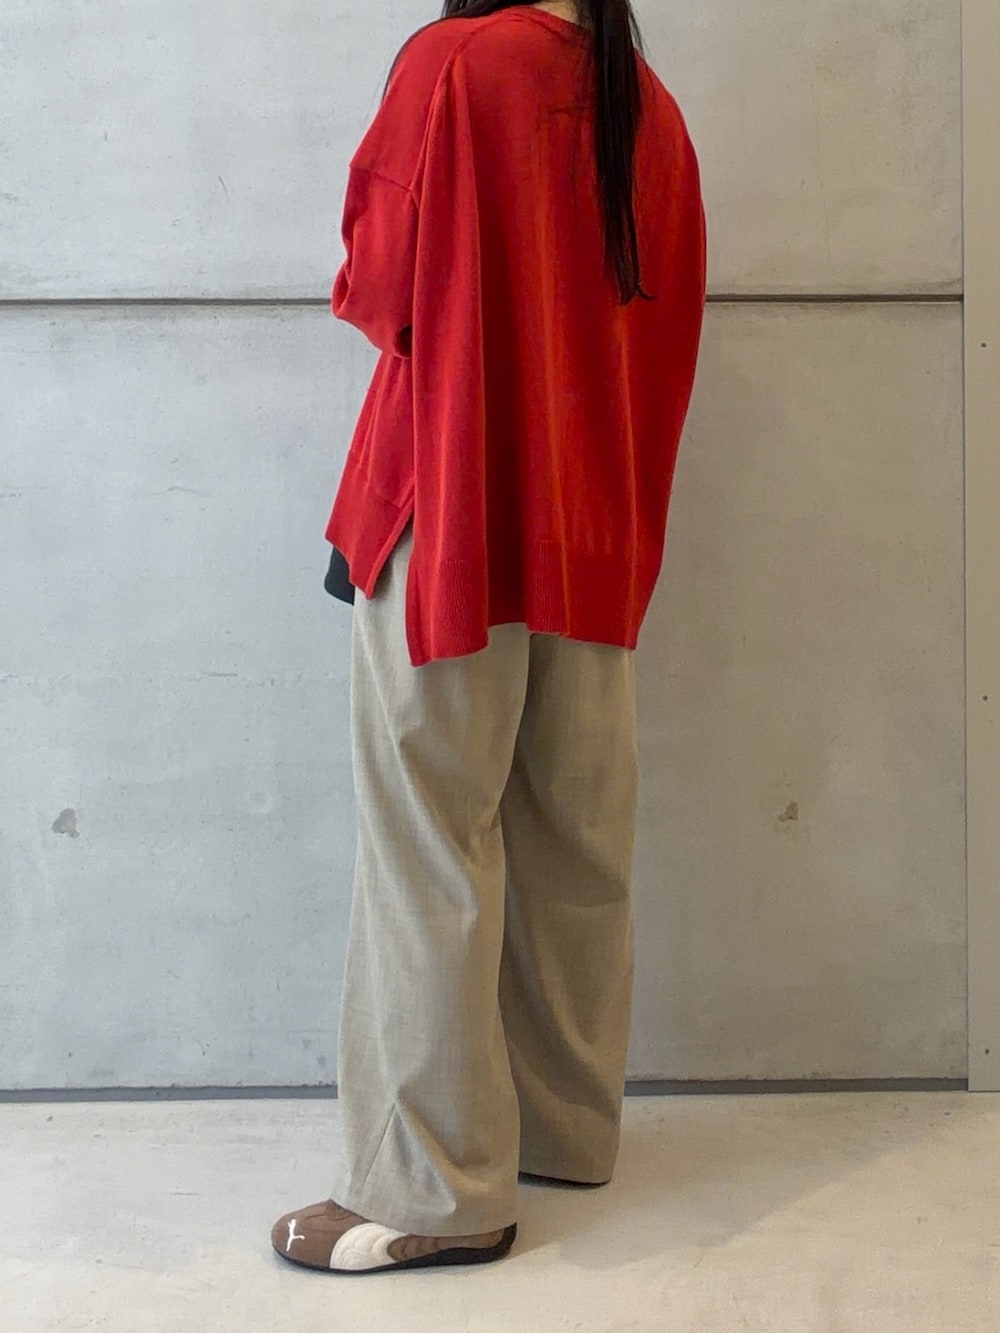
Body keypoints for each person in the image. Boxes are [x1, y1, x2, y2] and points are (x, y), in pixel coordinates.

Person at [271, 0, 706, 1275]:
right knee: (574, 836)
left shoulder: (455, 65)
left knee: (430, 840)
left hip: (455, 510)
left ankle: (436, 1188)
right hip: (591, 526)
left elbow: (375, 286)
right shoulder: (650, 110)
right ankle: (562, 1129)